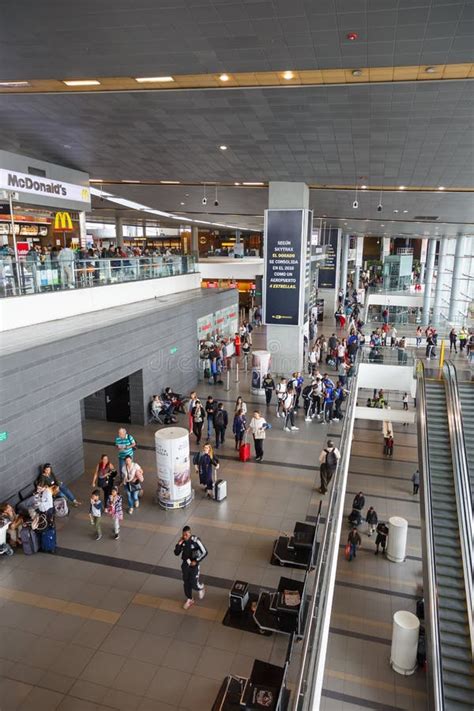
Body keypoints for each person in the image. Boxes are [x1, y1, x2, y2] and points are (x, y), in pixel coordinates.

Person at [174, 525, 208, 610]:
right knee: (186, 582)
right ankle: (189, 599)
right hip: (185, 565)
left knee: (193, 582)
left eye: (186, 535)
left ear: (190, 533)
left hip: (194, 566)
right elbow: (176, 553)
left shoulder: (196, 541)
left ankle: (201, 588)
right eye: (183, 535)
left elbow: (205, 552)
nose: (185, 537)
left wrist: (196, 561)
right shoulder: (182, 541)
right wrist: (179, 543)